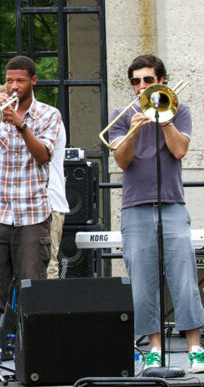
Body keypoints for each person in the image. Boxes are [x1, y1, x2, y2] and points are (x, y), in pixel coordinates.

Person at [108, 54, 204, 372]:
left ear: (161, 80)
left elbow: (179, 150)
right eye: (136, 81)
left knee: (184, 277)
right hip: (135, 207)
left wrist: (165, 119)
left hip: (172, 205)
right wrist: (134, 130)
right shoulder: (121, 115)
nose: (141, 86)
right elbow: (122, 162)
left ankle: (195, 348)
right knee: (143, 282)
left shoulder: (181, 110)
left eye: (147, 80)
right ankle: (153, 349)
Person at [0, 55, 62, 370]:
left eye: (20, 81)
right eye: (9, 80)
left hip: (33, 215)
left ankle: (29, 347)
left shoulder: (49, 115)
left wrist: (20, 124)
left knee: (31, 286)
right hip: (0, 214)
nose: (13, 86)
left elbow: (43, 156)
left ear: (33, 81)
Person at [45, 124, 69, 279]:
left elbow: (42, 153)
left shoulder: (51, 117)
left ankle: (47, 303)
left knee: (48, 264)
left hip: (50, 203)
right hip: (17, 204)